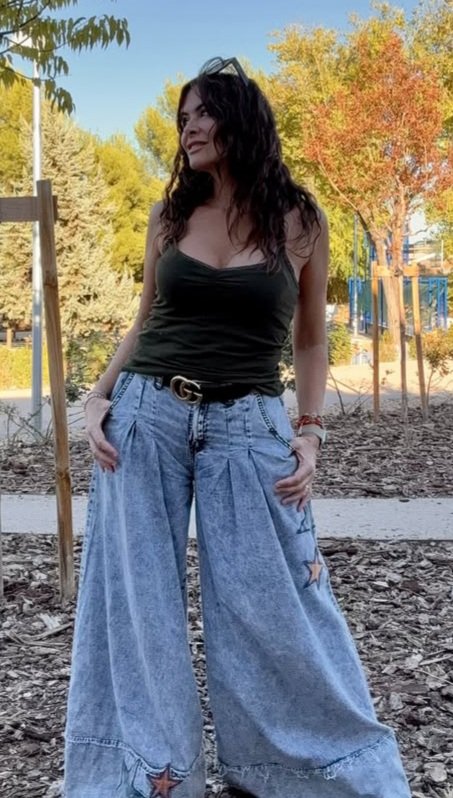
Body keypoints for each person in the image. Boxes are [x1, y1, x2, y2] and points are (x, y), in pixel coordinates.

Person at [64, 57, 411, 798]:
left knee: (275, 603)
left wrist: (309, 431)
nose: (187, 128)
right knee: (138, 605)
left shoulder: (300, 219)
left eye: (202, 113)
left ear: (241, 119)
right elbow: (145, 321)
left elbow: (310, 340)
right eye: (182, 117)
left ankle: (310, 771)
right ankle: (154, 776)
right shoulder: (170, 216)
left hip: (248, 423)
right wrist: (96, 396)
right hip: (146, 418)